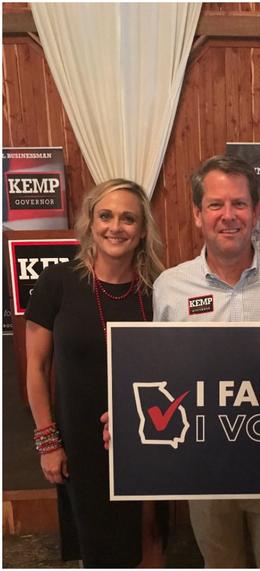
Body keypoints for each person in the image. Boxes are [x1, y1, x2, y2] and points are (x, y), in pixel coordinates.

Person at [147, 155, 260, 567]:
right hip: (205, 466)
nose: (228, 216)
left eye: (239, 204)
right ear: (197, 214)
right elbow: (157, 374)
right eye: (215, 205)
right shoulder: (171, 287)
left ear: (255, 212)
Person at [25, 179, 167, 567]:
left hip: (149, 436)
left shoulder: (160, 288)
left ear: (141, 231)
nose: (115, 227)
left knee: (149, 536)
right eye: (105, 215)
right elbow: (36, 369)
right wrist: (48, 442)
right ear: (90, 222)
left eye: (128, 218)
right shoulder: (58, 282)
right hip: (81, 441)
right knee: (99, 545)